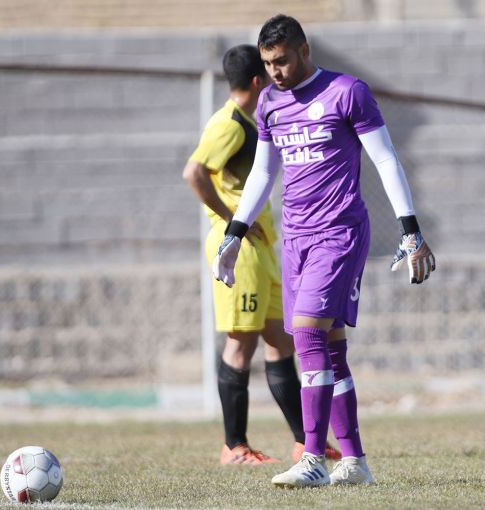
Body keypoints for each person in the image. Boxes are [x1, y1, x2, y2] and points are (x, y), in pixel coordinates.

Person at [211, 16, 436, 487]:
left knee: (307, 334)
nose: (274, 71)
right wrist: (235, 233)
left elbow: (384, 157)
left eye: (282, 60)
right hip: (294, 238)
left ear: (304, 50)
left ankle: (312, 456)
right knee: (330, 348)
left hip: (339, 234)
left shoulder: (347, 92)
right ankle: (354, 461)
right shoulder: (269, 103)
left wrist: (410, 228)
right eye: (267, 63)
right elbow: (263, 172)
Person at [183, 44, 341, 466]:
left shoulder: (252, 120)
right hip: (238, 249)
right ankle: (234, 446)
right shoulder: (229, 124)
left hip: (262, 248)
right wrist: (231, 218)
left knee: (281, 343)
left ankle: (305, 442)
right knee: (240, 343)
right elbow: (194, 172)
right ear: (258, 80)